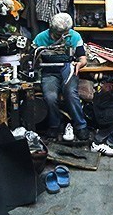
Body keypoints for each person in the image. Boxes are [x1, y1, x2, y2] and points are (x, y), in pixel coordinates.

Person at [33, 13, 89, 141]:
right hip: (49, 71)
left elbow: (83, 58)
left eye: (65, 33)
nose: (62, 37)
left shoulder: (74, 36)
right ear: (51, 28)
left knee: (71, 93)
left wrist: (79, 64)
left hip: (67, 68)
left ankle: (81, 125)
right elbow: (33, 60)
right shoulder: (40, 38)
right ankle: (55, 125)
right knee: (50, 96)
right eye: (59, 34)